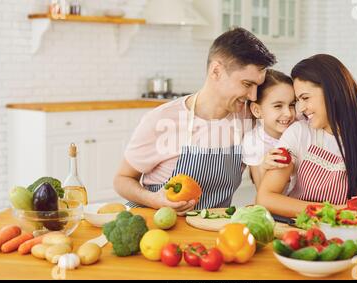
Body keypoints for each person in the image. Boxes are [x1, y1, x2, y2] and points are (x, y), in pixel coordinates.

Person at [114, 28, 276, 215]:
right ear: (216, 71)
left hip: (209, 227)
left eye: (258, 85)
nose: (253, 95)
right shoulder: (163, 119)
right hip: (160, 225)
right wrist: (154, 200)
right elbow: (122, 179)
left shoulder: (249, 117)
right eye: (247, 84)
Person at [257, 54, 357, 217]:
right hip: (298, 228)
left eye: (305, 98)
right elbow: (266, 198)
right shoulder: (299, 132)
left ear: (332, 91)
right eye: (299, 100)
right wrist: (334, 211)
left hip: (347, 233)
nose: (301, 108)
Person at [242, 69, 297, 191]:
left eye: (292, 105)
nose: (288, 113)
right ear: (257, 110)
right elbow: (263, 195)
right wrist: (264, 167)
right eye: (278, 106)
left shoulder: (300, 128)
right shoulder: (253, 141)